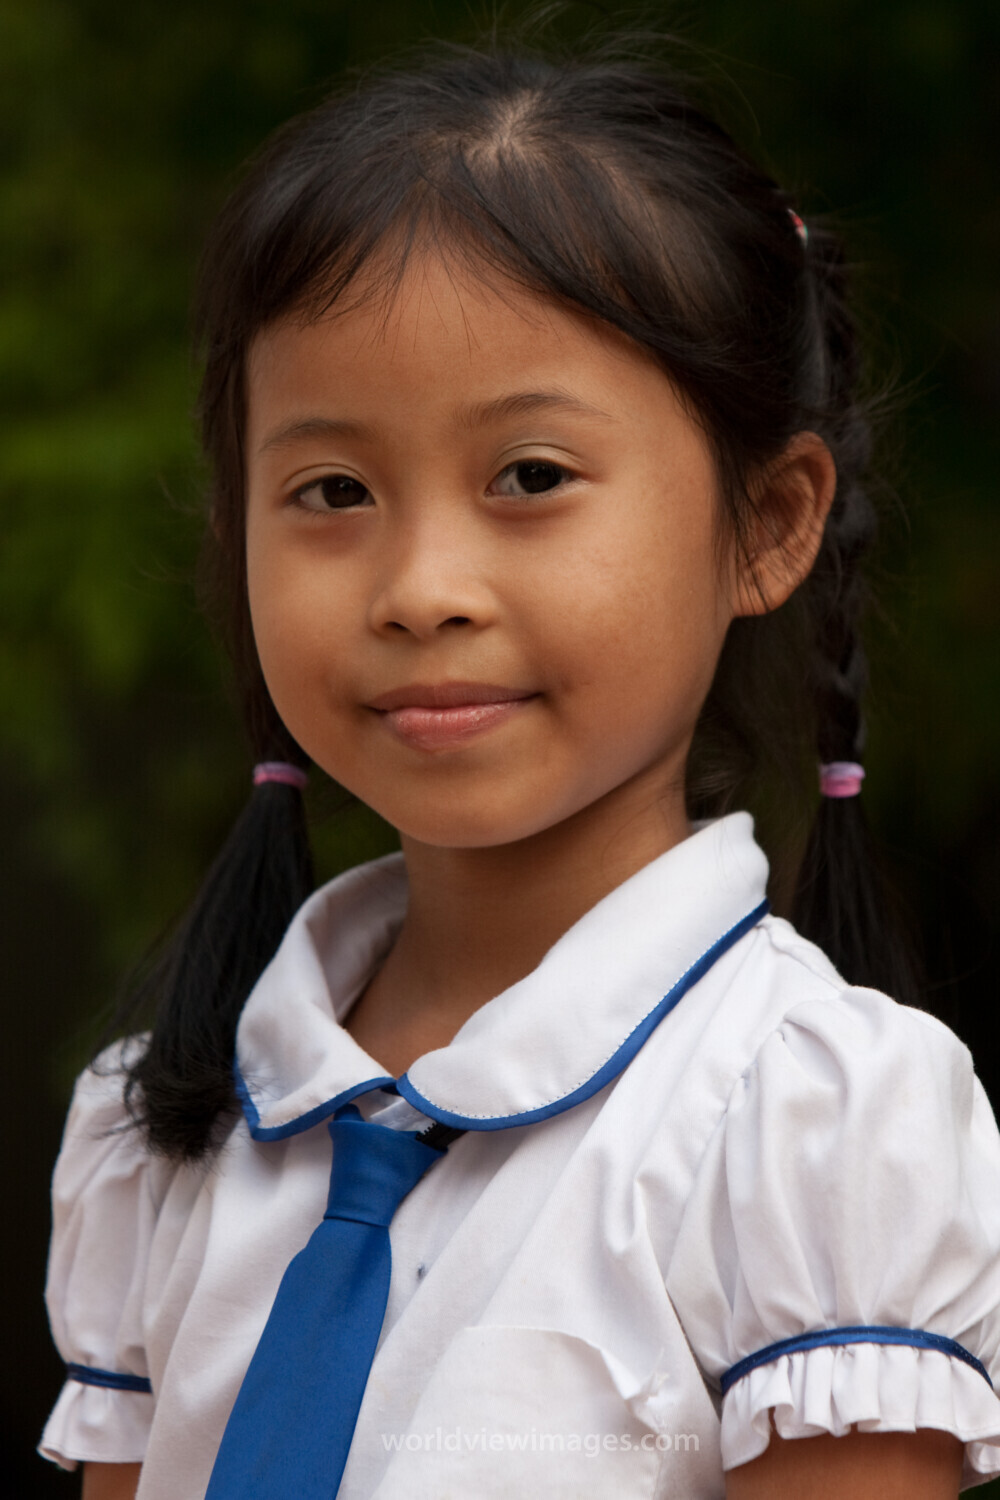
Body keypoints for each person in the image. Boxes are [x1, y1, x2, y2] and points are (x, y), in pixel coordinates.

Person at [38, 33, 1000, 1500]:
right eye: (332, 491)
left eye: (531, 477)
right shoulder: (168, 1118)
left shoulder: (797, 1127)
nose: (422, 586)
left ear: (770, 522)